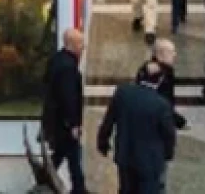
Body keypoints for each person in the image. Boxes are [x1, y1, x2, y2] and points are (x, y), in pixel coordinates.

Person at [97, 67, 177, 194]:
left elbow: (109, 120)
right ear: (160, 79)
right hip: (150, 161)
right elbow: (168, 134)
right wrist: (168, 154)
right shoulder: (161, 104)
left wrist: (102, 141)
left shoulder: (122, 94)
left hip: (125, 155)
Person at [42, 28, 88, 194]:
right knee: (72, 154)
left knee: (65, 154)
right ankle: (78, 189)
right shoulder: (68, 67)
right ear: (72, 44)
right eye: (81, 43)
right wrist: (73, 123)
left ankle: (76, 187)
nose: (83, 47)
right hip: (64, 123)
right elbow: (69, 97)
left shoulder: (57, 60)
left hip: (57, 120)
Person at [135, 39, 187, 130]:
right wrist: (178, 121)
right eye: (171, 52)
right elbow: (161, 102)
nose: (175, 54)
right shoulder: (159, 71)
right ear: (160, 54)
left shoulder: (148, 68)